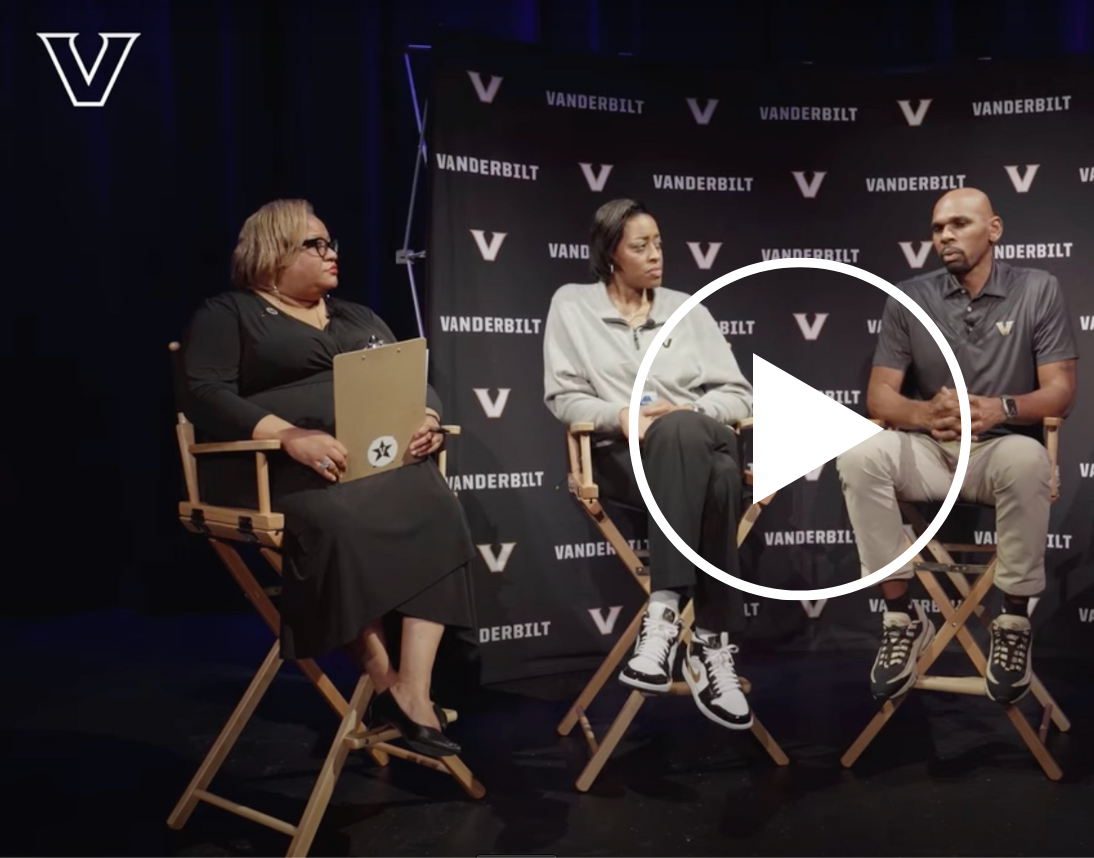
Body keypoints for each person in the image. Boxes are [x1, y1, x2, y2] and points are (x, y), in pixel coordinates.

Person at [180, 199, 475, 758]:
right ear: (271, 254)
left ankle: (413, 688)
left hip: (371, 469)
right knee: (337, 517)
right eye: (313, 244)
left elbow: (412, 378)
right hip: (270, 474)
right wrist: (290, 435)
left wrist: (428, 419)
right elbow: (203, 393)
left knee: (436, 502)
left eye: (331, 242)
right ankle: (384, 680)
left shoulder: (358, 318)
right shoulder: (231, 313)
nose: (331, 252)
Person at [838, 187, 1078, 704]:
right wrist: (923, 414)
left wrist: (1001, 408)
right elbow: (879, 395)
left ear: (993, 230)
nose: (945, 234)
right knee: (859, 455)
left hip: (1000, 449)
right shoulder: (910, 296)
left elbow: (1061, 390)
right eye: (937, 227)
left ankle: (1013, 622)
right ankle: (902, 616)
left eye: (960, 224)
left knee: (1028, 458)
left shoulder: (1038, 288)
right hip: (932, 450)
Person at [543, 198, 755, 731]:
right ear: (609, 253)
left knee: (688, 434)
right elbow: (563, 397)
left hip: (696, 444)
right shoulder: (573, 305)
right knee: (724, 477)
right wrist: (623, 415)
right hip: (624, 461)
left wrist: (692, 412)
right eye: (640, 246)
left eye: (659, 242)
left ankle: (662, 618)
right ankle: (710, 642)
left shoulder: (690, 310)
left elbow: (739, 397)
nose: (656, 255)